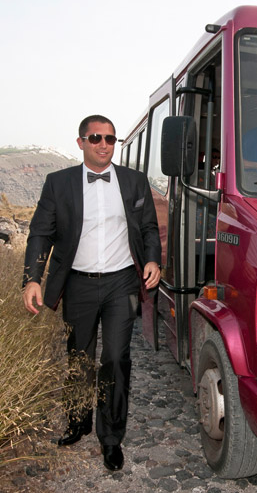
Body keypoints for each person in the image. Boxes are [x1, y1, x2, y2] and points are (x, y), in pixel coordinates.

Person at [22, 115, 161, 471]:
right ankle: (78, 419)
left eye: (111, 139)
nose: (104, 145)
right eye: (96, 138)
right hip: (78, 284)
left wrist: (152, 260)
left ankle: (111, 437)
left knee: (115, 358)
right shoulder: (58, 183)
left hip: (121, 283)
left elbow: (147, 229)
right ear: (81, 141)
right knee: (79, 358)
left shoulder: (133, 181)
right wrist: (32, 278)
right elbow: (40, 232)